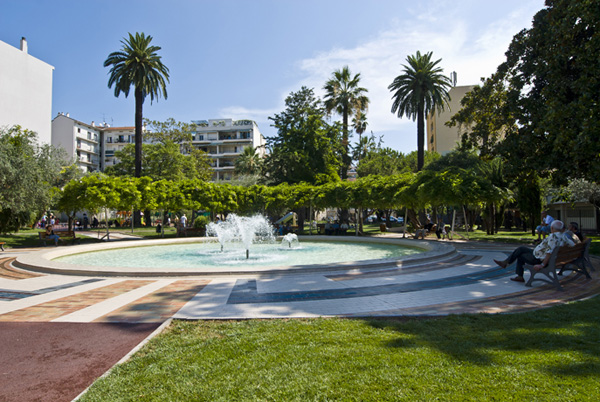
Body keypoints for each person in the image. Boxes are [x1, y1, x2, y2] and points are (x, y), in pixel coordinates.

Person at [494, 220, 574, 283]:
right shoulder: (563, 236)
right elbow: (573, 245)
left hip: (538, 258)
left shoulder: (553, 237)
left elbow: (549, 252)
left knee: (520, 255)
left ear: (552, 228)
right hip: (541, 254)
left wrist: (542, 265)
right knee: (521, 249)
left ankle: (517, 274)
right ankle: (506, 263)